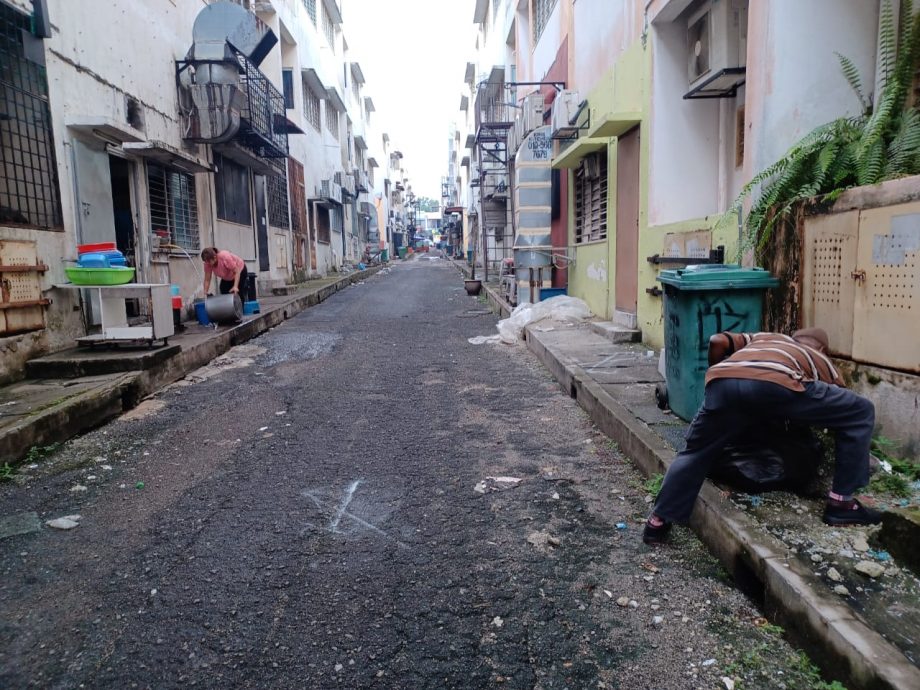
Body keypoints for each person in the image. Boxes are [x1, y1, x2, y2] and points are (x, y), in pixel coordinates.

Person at [643, 327, 881, 545]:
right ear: (822, 349)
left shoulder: (764, 338)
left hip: (722, 380)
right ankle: (841, 504)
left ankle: (657, 523)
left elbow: (716, 341)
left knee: (694, 452)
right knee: (861, 411)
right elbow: (837, 407)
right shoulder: (819, 359)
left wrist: (721, 376)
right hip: (778, 383)